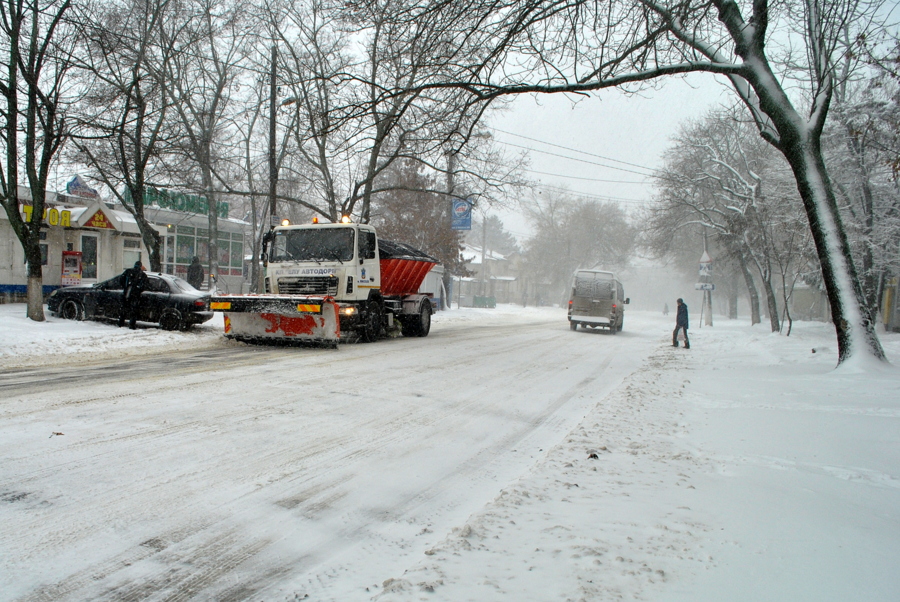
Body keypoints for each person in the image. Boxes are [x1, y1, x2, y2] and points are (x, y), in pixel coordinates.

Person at [118, 261, 148, 329]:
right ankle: (132, 325)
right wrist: (139, 289)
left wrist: (125, 287)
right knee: (134, 310)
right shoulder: (142, 274)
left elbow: (121, 279)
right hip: (135, 294)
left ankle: (121, 323)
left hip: (126, 293)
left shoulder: (128, 271)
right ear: (140, 266)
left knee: (123, 308)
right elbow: (145, 284)